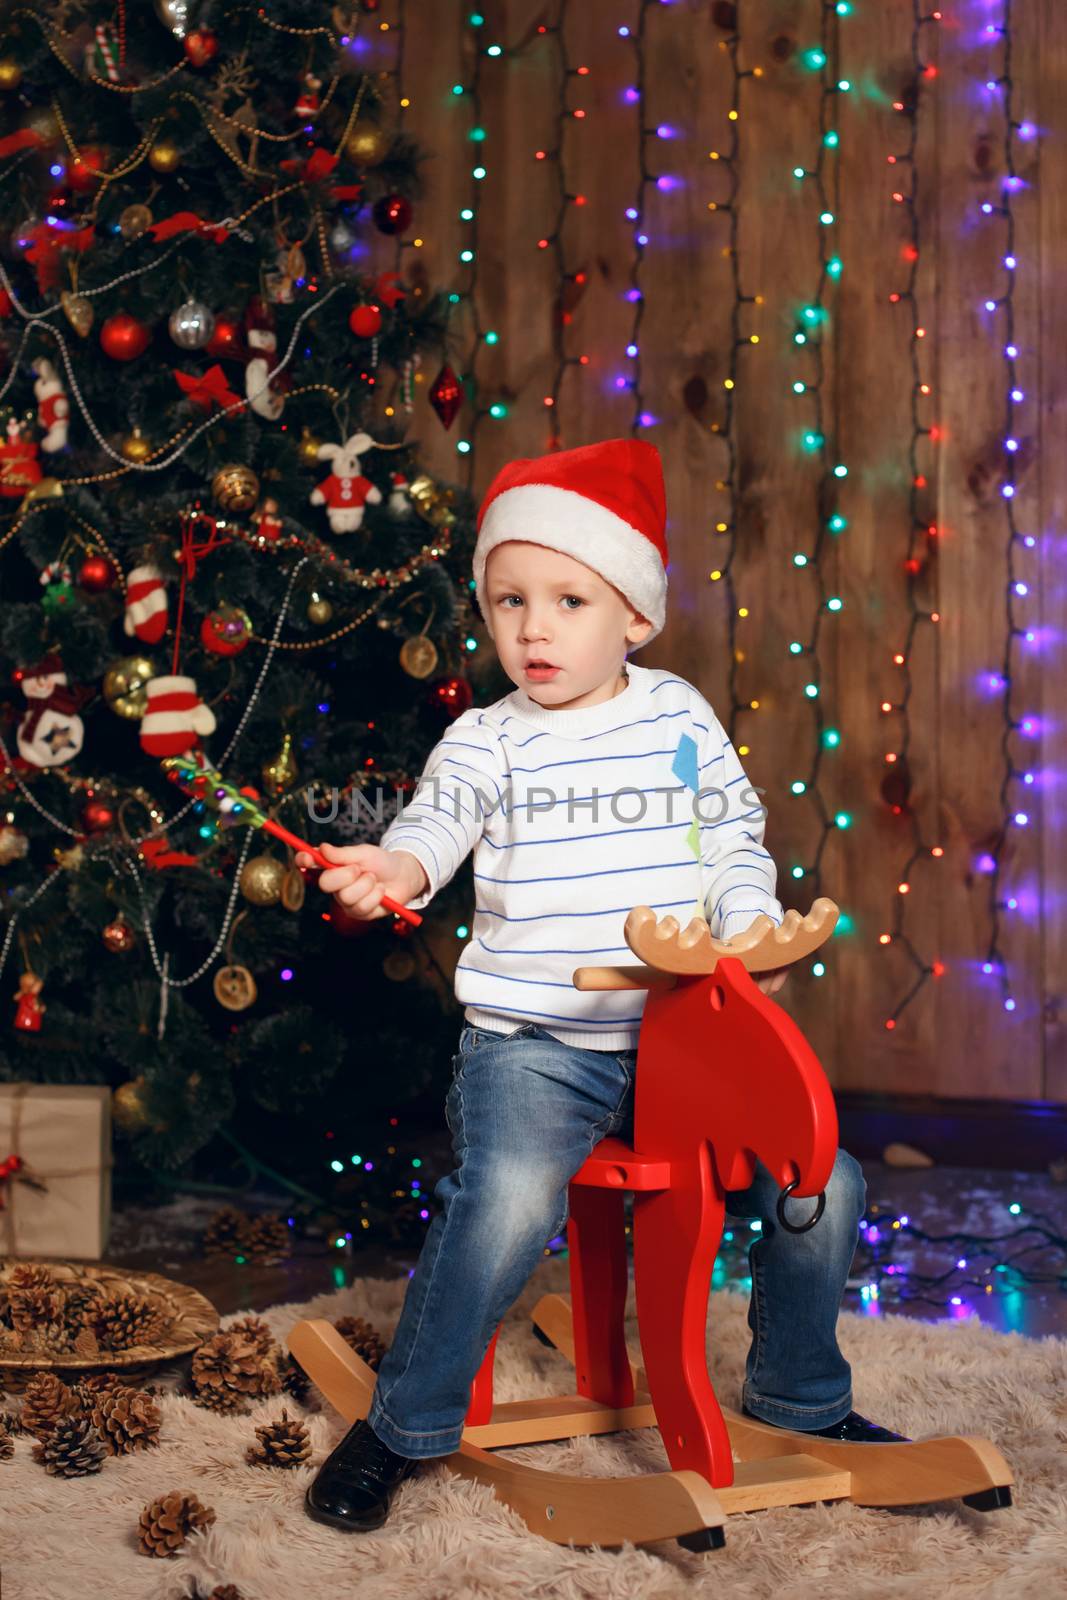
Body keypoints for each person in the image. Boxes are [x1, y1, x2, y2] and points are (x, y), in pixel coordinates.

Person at [298, 438, 903, 1535]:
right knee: (512, 1195)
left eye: (567, 599)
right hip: (534, 1044)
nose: (532, 628)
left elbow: (730, 835)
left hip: (680, 1038)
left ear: (630, 616)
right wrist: (396, 867)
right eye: (507, 600)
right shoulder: (485, 739)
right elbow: (435, 826)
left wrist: (743, 915)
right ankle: (401, 1424)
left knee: (824, 1180)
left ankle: (799, 1394)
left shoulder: (675, 718)